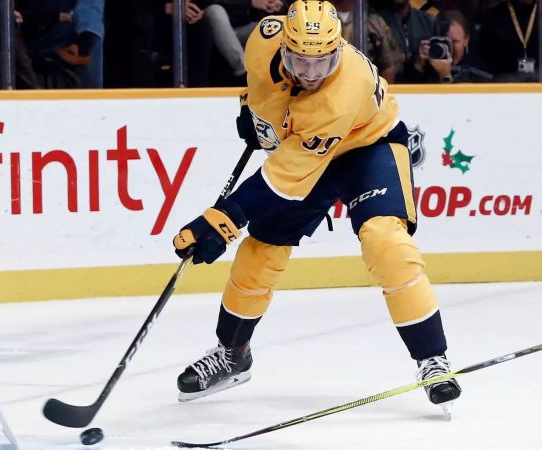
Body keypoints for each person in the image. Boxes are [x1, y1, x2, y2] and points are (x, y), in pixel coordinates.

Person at [171, 0, 461, 412]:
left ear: (338, 50)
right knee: (259, 250)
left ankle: (433, 358)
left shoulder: (341, 93)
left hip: (367, 145)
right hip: (305, 146)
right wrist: (250, 114)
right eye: (300, 61)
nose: (310, 73)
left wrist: (220, 220)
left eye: (321, 62)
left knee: (385, 241)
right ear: (284, 46)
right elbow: (257, 85)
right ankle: (233, 355)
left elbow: (280, 182)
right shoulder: (264, 38)